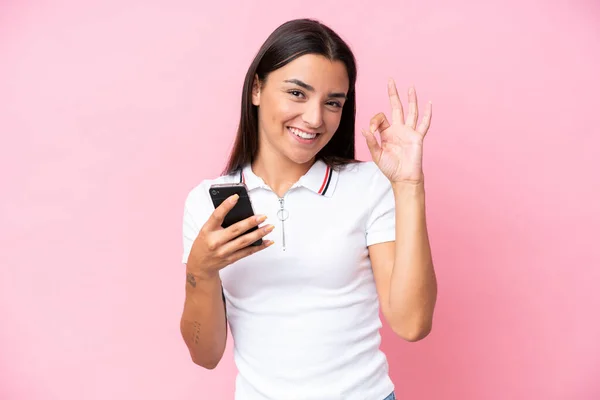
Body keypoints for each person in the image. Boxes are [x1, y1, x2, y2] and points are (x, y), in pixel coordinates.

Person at [180, 18, 438, 400]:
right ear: (256, 89)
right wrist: (199, 270)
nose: (315, 119)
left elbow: (412, 323)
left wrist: (409, 187)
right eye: (297, 94)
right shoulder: (209, 201)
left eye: (333, 102)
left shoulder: (367, 187)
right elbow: (205, 355)